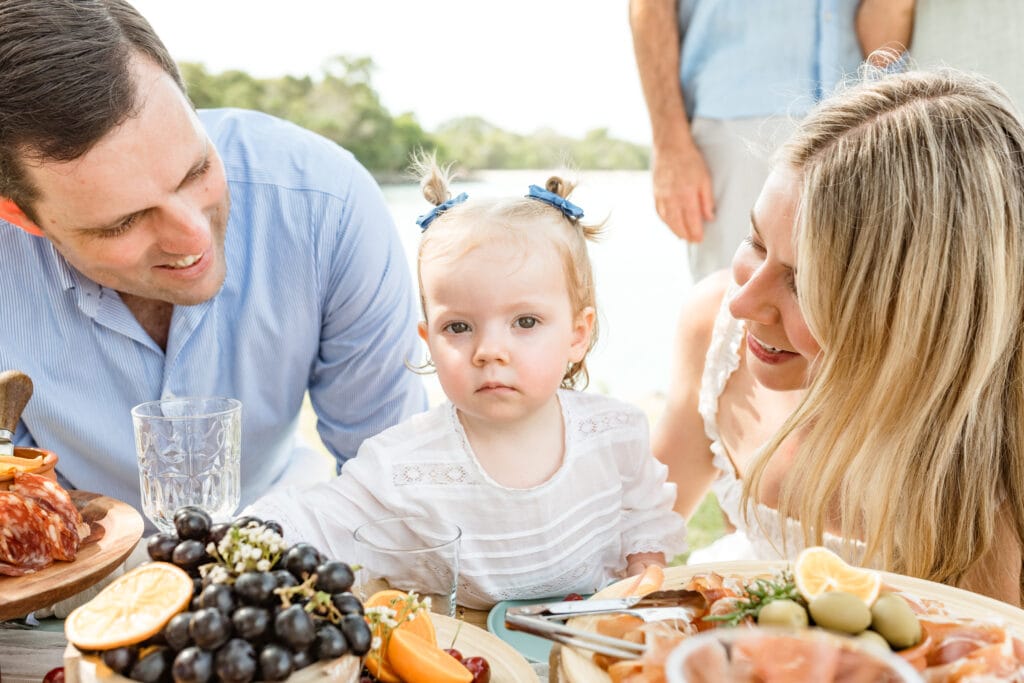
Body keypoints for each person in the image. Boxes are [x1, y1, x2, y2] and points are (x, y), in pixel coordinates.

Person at [0, 0, 426, 515]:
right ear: (18, 215)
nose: (192, 236)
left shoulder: (325, 202)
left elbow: (390, 477)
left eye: (195, 171)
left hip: (281, 521)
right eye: (124, 221)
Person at [247, 158, 687, 609]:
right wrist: (236, 543)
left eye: (525, 321)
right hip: (468, 657)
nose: (488, 350)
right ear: (429, 340)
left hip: (591, 647)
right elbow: (314, 522)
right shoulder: (404, 465)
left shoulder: (614, 433)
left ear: (578, 334)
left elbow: (643, 515)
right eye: (458, 327)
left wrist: (642, 576)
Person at [655, 67, 1024, 605]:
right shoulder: (717, 329)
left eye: (805, 284)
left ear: (920, 312)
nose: (744, 303)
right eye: (755, 242)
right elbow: (628, 542)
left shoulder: (988, 447)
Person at [629, 0, 915, 282]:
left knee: (848, 311)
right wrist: (669, 144)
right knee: (732, 307)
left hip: (858, 125)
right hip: (735, 124)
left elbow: (880, 41)